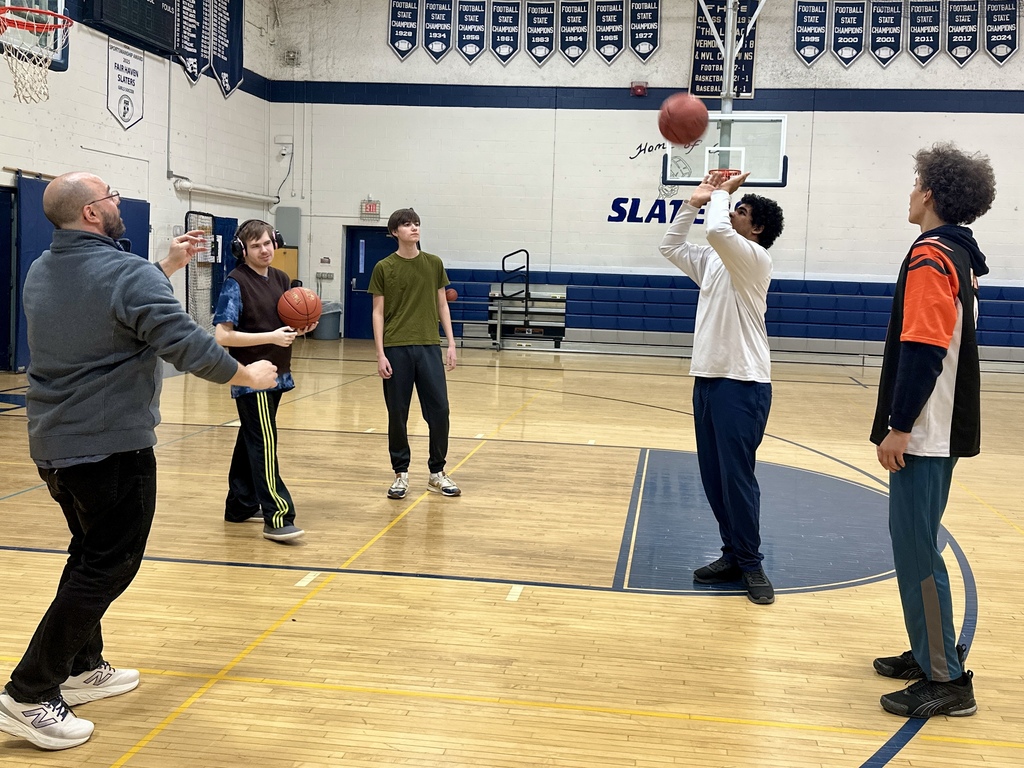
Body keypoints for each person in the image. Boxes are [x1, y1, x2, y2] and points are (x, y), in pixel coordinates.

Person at [0, 173, 278, 751]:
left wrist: (165, 268)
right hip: (110, 446)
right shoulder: (124, 274)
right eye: (112, 196)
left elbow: (111, 303)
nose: (119, 201)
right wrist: (246, 374)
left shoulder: (42, 269)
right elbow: (179, 336)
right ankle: (29, 693)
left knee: (88, 554)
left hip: (56, 446)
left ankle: (81, 667)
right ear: (93, 214)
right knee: (108, 564)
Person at [870, 143, 995, 718]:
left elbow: (923, 348)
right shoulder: (959, 255)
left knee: (917, 550)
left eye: (917, 180)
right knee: (914, 543)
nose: (911, 188)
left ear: (931, 194)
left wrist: (900, 427)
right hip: (939, 428)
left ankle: (946, 677)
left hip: (926, 431)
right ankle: (929, 649)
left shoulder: (931, 256)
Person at [659, 170, 785, 605]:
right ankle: (732, 554)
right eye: (732, 206)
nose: (732, 212)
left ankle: (751, 564)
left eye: (742, 211)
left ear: (757, 228)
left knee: (737, 478)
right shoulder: (715, 259)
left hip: (743, 382)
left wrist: (719, 194)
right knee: (714, 479)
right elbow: (670, 246)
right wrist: (694, 202)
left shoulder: (753, 257)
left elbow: (715, 228)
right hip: (708, 379)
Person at [213, 220, 315, 543]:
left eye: (269, 242)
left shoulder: (282, 279)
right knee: (264, 442)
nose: (266, 249)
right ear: (242, 251)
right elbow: (221, 335)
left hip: (277, 372)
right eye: (257, 245)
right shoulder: (235, 283)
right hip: (251, 376)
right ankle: (278, 515)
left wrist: (303, 326)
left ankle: (240, 504)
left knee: (252, 436)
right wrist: (270, 335)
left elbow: (287, 319)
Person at [369, 208, 461, 499]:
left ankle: (437, 472)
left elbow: (442, 305)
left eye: (417, 223)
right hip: (396, 348)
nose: (414, 228)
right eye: (407, 224)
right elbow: (378, 312)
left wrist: (451, 342)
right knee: (397, 414)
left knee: (440, 411)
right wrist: (380, 354)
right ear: (395, 231)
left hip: (428, 346)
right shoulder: (383, 267)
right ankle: (401, 474)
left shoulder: (433, 263)